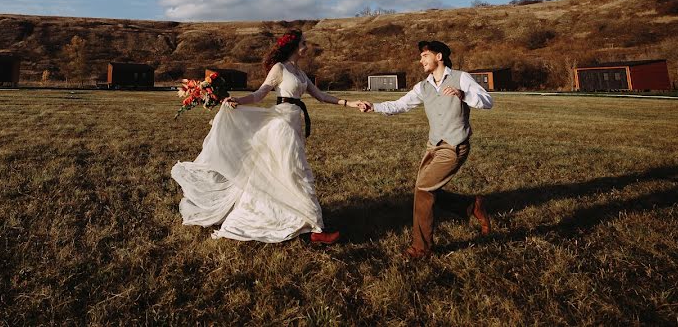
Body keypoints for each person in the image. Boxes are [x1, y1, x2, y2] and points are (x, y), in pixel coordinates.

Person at [171, 29, 356, 244]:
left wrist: (350, 103)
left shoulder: (300, 73)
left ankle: (295, 221)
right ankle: (315, 230)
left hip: (294, 124)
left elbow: (321, 96)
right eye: (304, 42)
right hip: (282, 125)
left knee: (287, 174)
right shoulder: (279, 69)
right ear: (294, 46)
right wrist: (238, 100)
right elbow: (260, 94)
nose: (307, 46)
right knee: (298, 173)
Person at [355, 40, 493, 259]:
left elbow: (487, 101)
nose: (421, 60)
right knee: (429, 191)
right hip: (433, 146)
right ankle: (471, 206)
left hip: (455, 146)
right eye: (421, 57)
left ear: (439, 57)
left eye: (425, 55)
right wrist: (374, 107)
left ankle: (421, 248)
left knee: (423, 190)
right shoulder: (423, 86)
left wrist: (463, 95)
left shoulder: (461, 77)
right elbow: (401, 104)